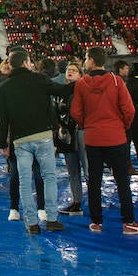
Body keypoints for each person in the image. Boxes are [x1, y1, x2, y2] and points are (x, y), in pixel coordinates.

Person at [71, 47, 138, 234]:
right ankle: (128, 221)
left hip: (93, 137)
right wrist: (122, 126)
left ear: (91, 60)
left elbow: (76, 112)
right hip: (115, 136)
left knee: (94, 181)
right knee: (122, 181)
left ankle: (96, 221)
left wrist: (87, 124)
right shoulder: (116, 81)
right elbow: (129, 110)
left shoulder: (81, 84)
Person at [0, 49, 66, 233]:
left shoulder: (4, 87)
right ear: (26, 63)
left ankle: (32, 223)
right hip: (42, 136)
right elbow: (61, 90)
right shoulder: (39, 79)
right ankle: (51, 219)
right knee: (49, 177)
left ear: (10, 65)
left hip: (20, 139)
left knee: (24, 181)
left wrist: (3, 144)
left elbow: (2, 120)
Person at [55, 61, 84, 216]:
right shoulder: (61, 91)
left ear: (80, 74)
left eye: (74, 70)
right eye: (68, 70)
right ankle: (76, 202)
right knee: (72, 170)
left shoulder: (84, 90)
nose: (70, 72)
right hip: (67, 135)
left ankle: (94, 202)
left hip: (81, 132)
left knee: (88, 169)